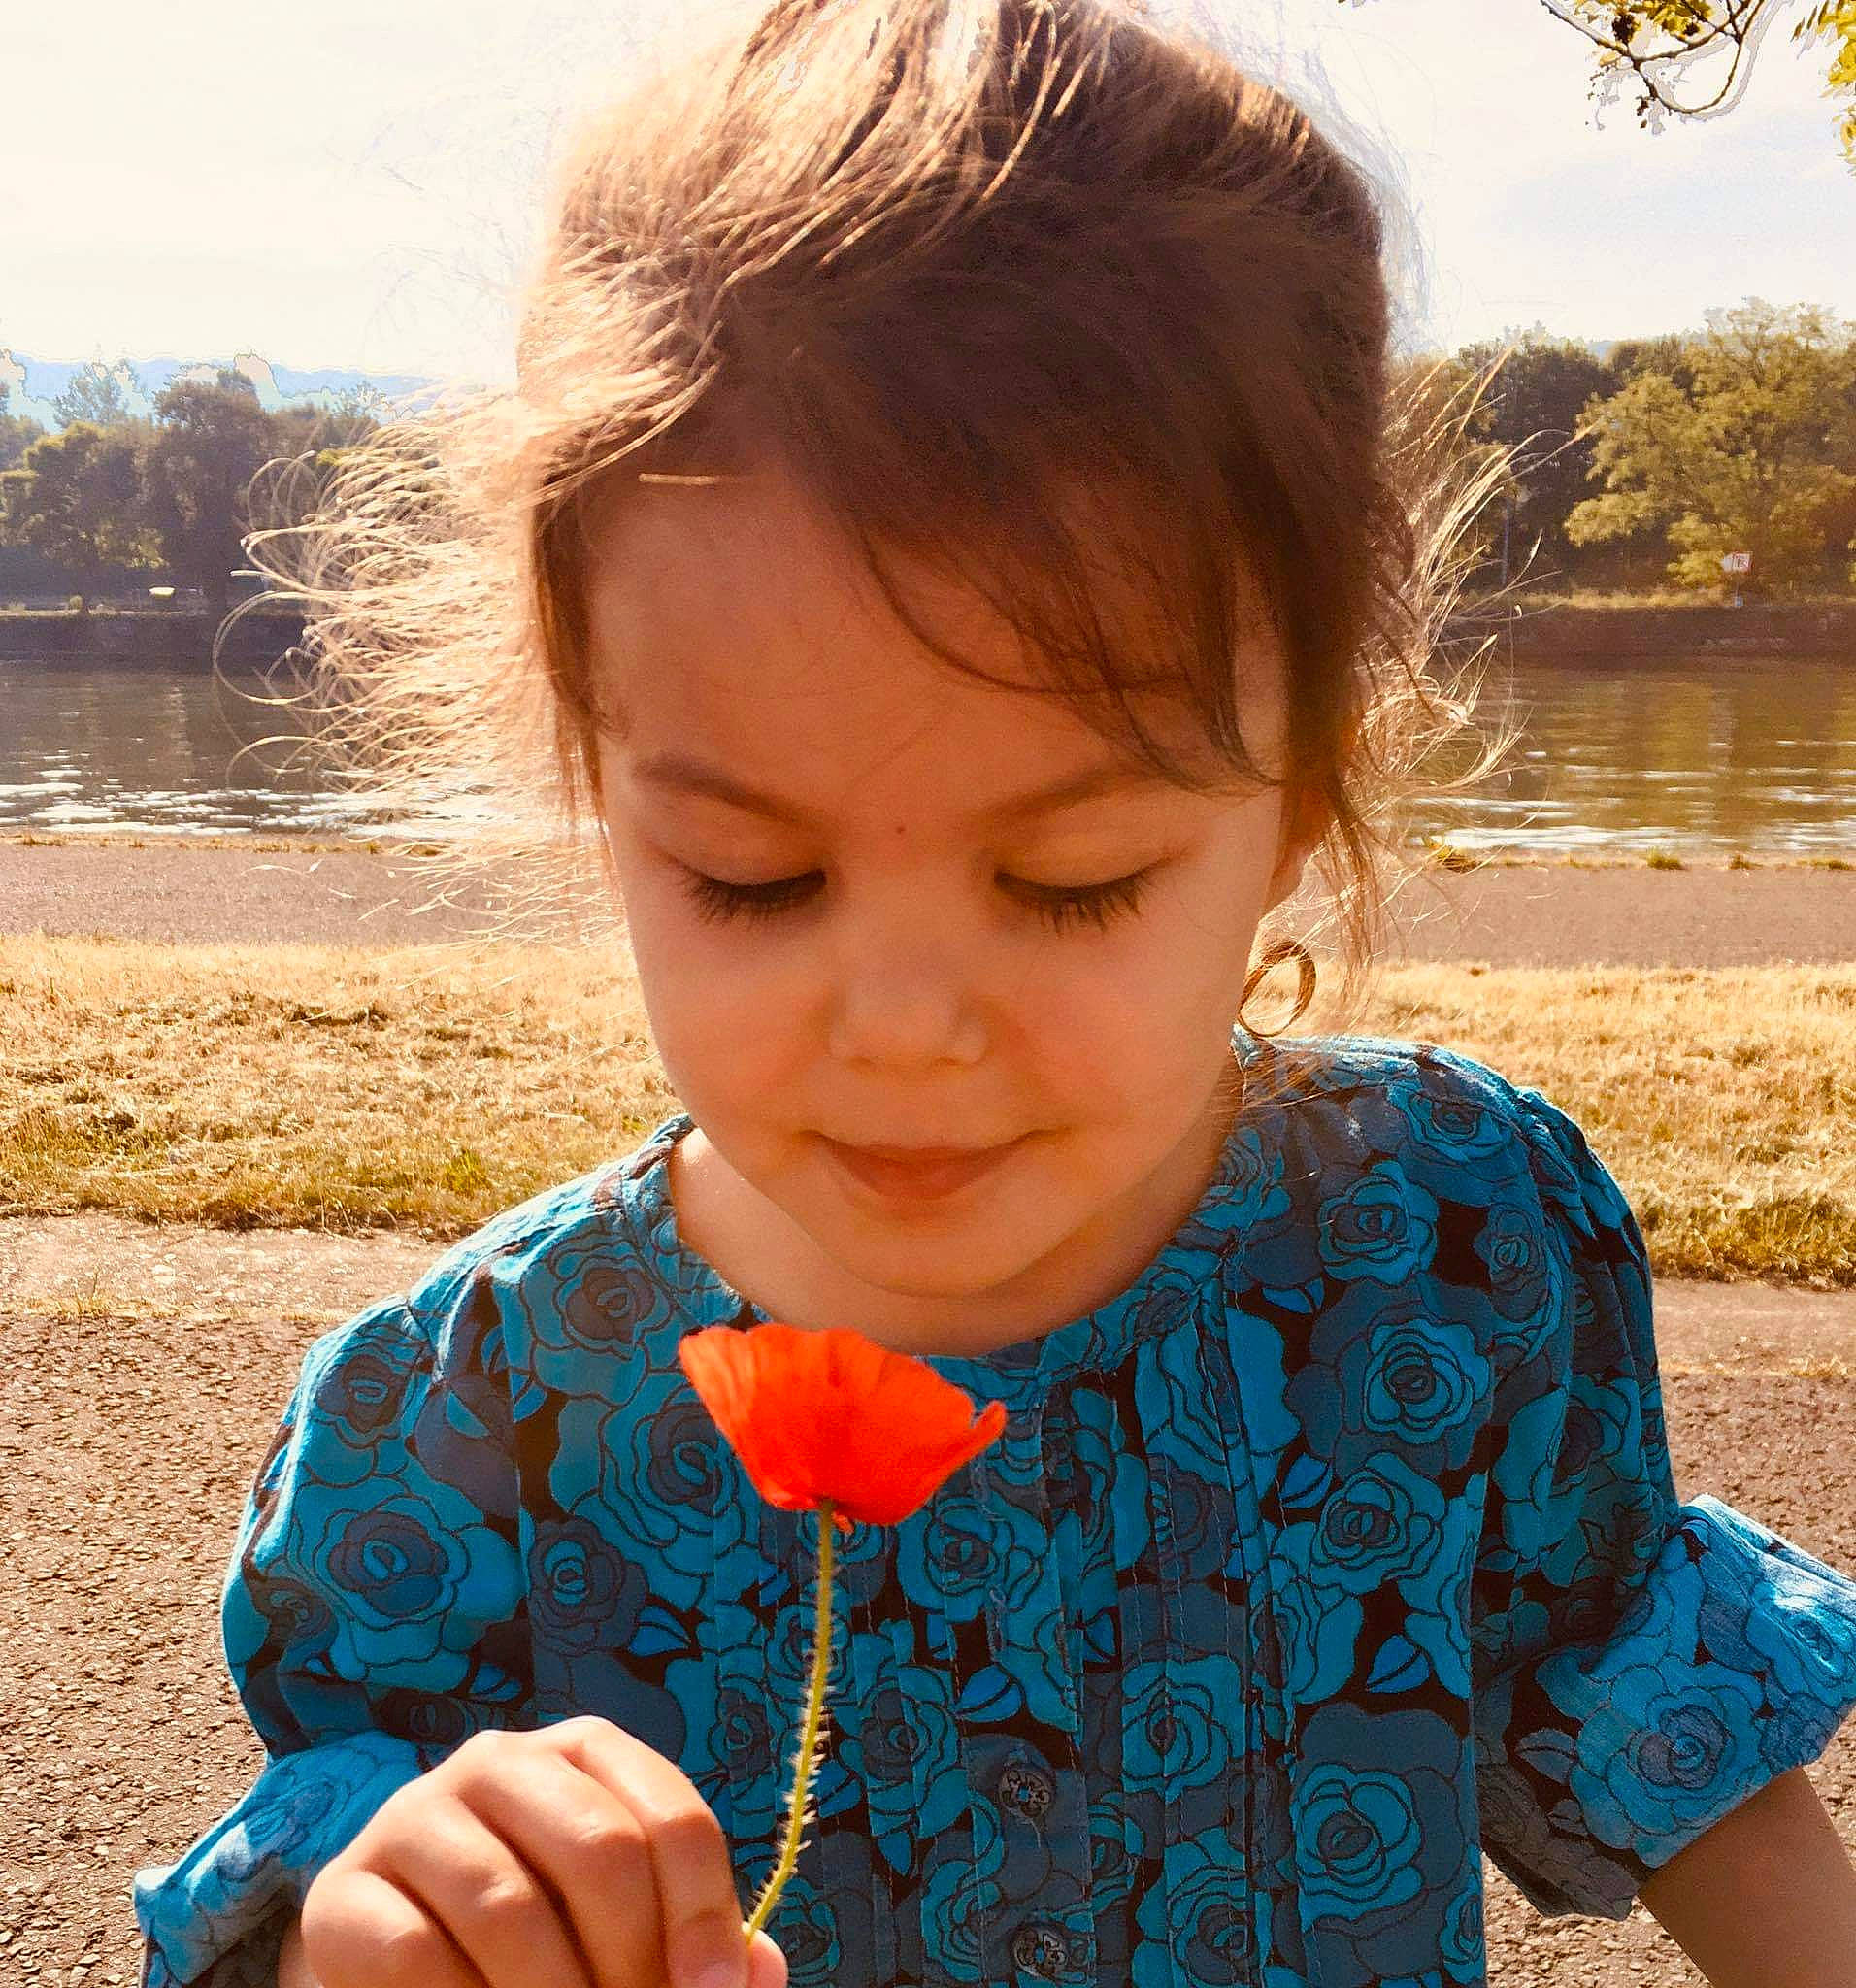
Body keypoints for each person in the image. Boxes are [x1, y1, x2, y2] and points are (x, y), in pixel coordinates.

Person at [132, 2, 1856, 1984]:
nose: (903, 1027)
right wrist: (392, 1918)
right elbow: (331, 1886)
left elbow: (1639, 1708)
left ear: (1300, 790)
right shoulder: (470, 1412)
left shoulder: (1452, 1245)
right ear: (598, 776)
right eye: (750, 875)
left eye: (1069, 880)